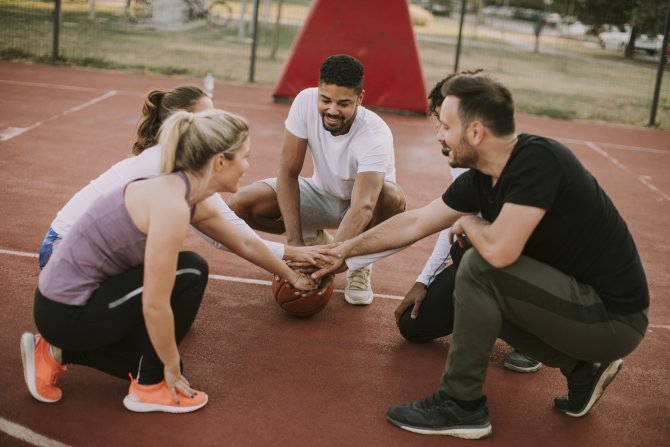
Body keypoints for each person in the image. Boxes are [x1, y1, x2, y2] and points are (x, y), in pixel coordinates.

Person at [312, 71, 649, 439]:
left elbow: (500, 252)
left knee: (477, 264)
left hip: (612, 320)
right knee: (474, 279)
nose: (438, 135)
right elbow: (416, 222)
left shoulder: (538, 161)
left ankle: (462, 405)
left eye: (445, 126)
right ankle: (581, 369)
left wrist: (471, 224)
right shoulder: (481, 178)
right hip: (575, 308)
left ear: (475, 133)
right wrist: (339, 251)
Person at [21, 109, 317, 413]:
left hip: (68, 305)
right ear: (219, 161)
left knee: (165, 328)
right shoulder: (171, 204)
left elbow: (241, 241)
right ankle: (149, 388)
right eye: (245, 156)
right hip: (66, 312)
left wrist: (290, 275)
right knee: (188, 272)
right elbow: (155, 303)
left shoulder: (180, 190)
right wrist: (170, 366)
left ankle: (59, 350)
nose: (247, 166)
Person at [38, 86, 331, 270]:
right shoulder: (164, 167)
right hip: (62, 251)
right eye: (207, 118)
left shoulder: (187, 163)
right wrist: (292, 258)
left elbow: (228, 231)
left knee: (183, 275)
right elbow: (230, 236)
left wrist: (289, 257)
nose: (216, 122)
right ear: (183, 123)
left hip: (86, 250)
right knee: (176, 283)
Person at [228, 54, 406, 305]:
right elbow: (288, 173)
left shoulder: (375, 134)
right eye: (326, 100)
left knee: (391, 197)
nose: (332, 110)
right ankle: (314, 241)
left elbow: (363, 206)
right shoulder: (304, 102)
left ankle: (359, 264)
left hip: (364, 209)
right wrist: (296, 248)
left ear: (360, 98)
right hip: (322, 194)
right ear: (319, 91)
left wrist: (329, 262)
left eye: (343, 103)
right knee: (241, 203)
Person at [395, 76, 542, 373]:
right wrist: (425, 280)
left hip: (530, 264)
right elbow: (439, 221)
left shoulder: (516, 160)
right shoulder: (461, 159)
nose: (438, 133)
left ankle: (536, 336)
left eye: (446, 124)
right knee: (413, 325)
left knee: (469, 248)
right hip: (487, 254)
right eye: (438, 121)